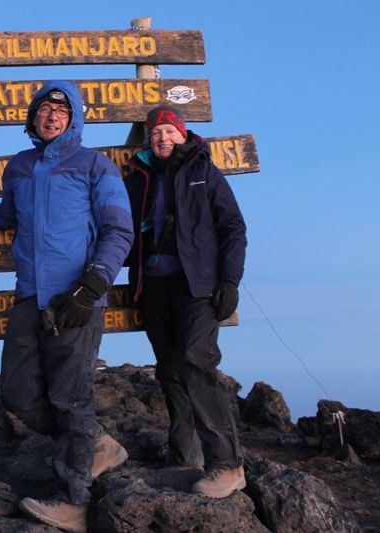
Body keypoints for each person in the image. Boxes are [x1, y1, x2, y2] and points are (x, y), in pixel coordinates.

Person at [0, 81, 134, 533]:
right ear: (33, 117)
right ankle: (94, 443)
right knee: (16, 394)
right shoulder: (20, 166)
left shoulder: (97, 167)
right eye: (44, 109)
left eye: (61, 109)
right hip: (29, 296)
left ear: (74, 117)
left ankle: (75, 502)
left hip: (75, 299)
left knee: (71, 399)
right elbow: (4, 216)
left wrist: (91, 286)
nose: (51, 116)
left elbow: (119, 232)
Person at [123, 105, 247, 498]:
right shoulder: (138, 178)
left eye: (169, 132)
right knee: (171, 370)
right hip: (153, 285)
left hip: (198, 286)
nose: (162, 138)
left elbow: (233, 228)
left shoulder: (204, 173)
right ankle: (183, 456)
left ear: (183, 134)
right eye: (155, 133)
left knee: (197, 362)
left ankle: (227, 465)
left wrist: (230, 281)